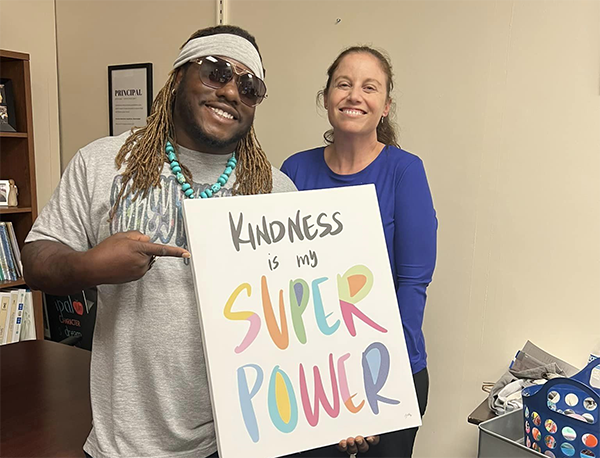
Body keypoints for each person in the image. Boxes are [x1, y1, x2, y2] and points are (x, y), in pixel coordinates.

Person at [22, 25, 296, 458]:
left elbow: (298, 318)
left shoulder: (275, 191)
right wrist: (92, 267)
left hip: (237, 441)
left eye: (248, 85)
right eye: (216, 71)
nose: (230, 91)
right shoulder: (103, 164)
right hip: (124, 445)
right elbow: (35, 260)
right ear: (178, 77)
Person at [281, 46, 437, 458]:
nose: (354, 95)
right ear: (327, 97)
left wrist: (372, 392)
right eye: (344, 84)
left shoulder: (405, 171)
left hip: (390, 375)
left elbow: (413, 285)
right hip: (312, 378)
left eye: (369, 87)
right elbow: (281, 281)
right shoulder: (293, 170)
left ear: (385, 107)